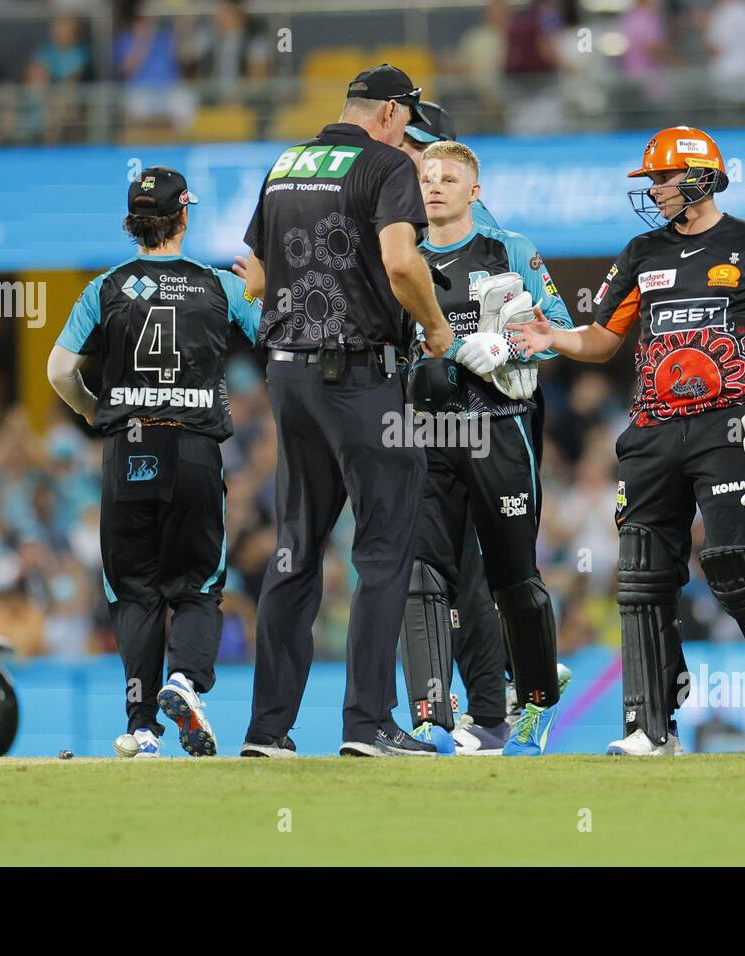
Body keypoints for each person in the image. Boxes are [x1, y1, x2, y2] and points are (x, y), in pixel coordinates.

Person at [509, 126, 745, 755]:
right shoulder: (640, 252)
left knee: (739, 564)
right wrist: (555, 337)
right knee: (642, 577)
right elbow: (603, 338)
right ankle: (648, 726)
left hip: (731, 426)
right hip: (653, 432)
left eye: (663, 178)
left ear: (700, 177)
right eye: (651, 181)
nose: (654, 190)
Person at [238, 65, 454, 758]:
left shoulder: (287, 163)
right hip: (358, 377)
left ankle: (267, 731)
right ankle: (367, 724)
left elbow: (261, 275)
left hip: (287, 377)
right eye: (407, 117)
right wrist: (438, 328)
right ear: (390, 112)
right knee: (385, 549)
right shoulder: (388, 165)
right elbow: (400, 262)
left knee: (295, 549)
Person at [47, 166, 260, 758]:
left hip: (128, 451)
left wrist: (95, 413)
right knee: (195, 587)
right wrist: (265, 291)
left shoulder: (105, 288)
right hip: (194, 450)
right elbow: (280, 339)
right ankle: (186, 682)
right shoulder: (217, 286)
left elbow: (59, 372)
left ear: (132, 224)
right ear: (184, 217)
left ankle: (142, 726)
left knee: (135, 592)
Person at [401, 140, 575, 756]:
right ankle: (429, 717)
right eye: (426, 176)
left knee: (512, 575)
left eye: (449, 178)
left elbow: (556, 327)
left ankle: (534, 706)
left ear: (475, 192)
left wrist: (511, 347)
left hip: (500, 424)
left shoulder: (511, 251)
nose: (435, 186)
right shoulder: (401, 256)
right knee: (422, 572)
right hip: (424, 431)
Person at [394, 101, 516, 754]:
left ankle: (477, 707)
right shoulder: (408, 216)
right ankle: (487, 712)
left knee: (446, 569)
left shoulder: (477, 231)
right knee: (456, 572)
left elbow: (523, 332)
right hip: (429, 422)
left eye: (415, 146)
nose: (406, 157)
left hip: (481, 422)